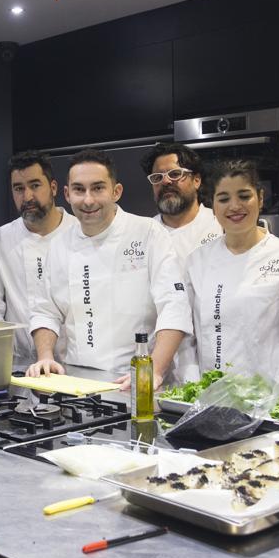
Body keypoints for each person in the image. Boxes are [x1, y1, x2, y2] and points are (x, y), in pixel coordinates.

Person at [27, 149, 192, 388]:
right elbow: (45, 311)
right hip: (75, 380)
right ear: (67, 194)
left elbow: (173, 305)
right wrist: (45, 357)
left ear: (116, 192)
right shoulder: (59, 245)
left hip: (134, 381)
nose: (88, 200)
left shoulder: (147, 233)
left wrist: (153, 369)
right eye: (79, 189)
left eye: (98, 188)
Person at [185, 160, 279, 388]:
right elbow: (187, 339)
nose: (235, 206)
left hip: (269, 399)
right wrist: (194, 389)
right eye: (224, 199)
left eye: (244, 196)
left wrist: (278, 399)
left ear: (260, 197)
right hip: (209, 399)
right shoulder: (197, 261)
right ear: (213, 206)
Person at [0, 151, 78, 364]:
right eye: (19, 188)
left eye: (35, 185)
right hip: (18, 363)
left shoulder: (79, 232)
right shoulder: (0, 239)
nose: (27, 196)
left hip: (74, 364)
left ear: (53, 187)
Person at [142, 142, 222, 261]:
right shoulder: (145, 233)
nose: (165, 181)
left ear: (196, 180)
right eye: (157, 177)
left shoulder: (220, 223)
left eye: (174, 174)